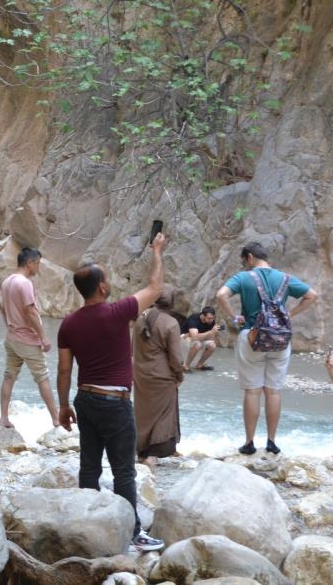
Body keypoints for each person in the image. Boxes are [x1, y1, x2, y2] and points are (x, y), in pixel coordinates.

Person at [56, 231, 168, 552]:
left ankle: (86, 526)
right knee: (123, 471)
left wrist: (64, 406)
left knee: (89, 466)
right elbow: (156, 288)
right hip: (115, 401)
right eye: (107, 277)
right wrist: (157, 250)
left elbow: (64, 370)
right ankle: (132, 533)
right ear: (103, 287)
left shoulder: (69, 324)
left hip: (85, 398)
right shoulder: (118, 312)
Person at [216, 241, 318, 455]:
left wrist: (234, 317)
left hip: (253, 336)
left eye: (245, 261)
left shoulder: (244, 278)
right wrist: (290, 315)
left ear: (249, 258)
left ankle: (250, 443)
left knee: (253, 392)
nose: (245, 265)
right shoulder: (285, 278)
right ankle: (271, 442)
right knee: (273, 391)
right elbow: (312, 295)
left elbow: (221, 295)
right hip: (280, 339)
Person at [0, 247, 58, 429]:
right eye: (38, 263)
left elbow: (1, 307)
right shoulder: (24, 283)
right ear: (30, 263)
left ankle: (3, 418)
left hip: (12, 337)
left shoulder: (7, 282)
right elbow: (30, 311)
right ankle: (56, 419)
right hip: (27, 339)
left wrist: (9, 325)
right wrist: (44, 337)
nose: (38, 267)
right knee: (42, 377)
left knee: (9, 376)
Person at [133, 285, 184, 467]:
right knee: (163, 414)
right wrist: (179, 374)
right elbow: (176, 359)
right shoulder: (171, 323)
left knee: (143, 413)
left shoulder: (141, 318)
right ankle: (153, 455)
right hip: (162, 376)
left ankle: (141, 452)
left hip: (140, 373)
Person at [181, 306, 220, 371]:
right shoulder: (194, 319)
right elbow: (195, 337)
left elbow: (211, 338)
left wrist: (212, 333)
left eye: (212, 318)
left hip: (197, 337)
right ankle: (186, 366)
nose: (211, 320)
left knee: (212, 345)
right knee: (197, 344)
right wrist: (210, 332)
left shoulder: (211, 321)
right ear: (202, 316)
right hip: (183, 337)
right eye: (209, 318)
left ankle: (199, 365)